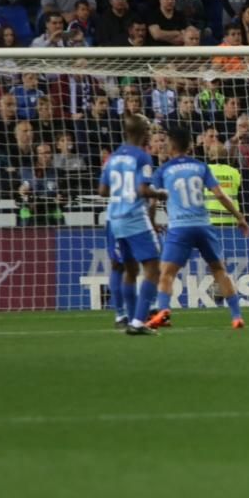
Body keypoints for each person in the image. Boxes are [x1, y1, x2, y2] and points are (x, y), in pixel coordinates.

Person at [144, 128, 249, 330]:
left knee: (166, 273)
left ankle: (164, 311)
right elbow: (219, 195)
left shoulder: (163, 170)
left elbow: (151, 201)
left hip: (179, 227)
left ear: (172, 146)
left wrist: (151, 222)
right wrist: (239, 217)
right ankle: (236, 316)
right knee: (219, 270)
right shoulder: (201, 166)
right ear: (190, 146)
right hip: (203, 225)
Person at [97, 115, 163, 336]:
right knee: (153, 269)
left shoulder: (113, 158)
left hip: (114, 220)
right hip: (134, 217)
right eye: (148, 130)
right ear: (143, 132)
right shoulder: (142, 157)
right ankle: (137, 322)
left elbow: (103, 191)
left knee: (130, 269)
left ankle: (129, 317)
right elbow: (143, 191)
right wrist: (162, 194)